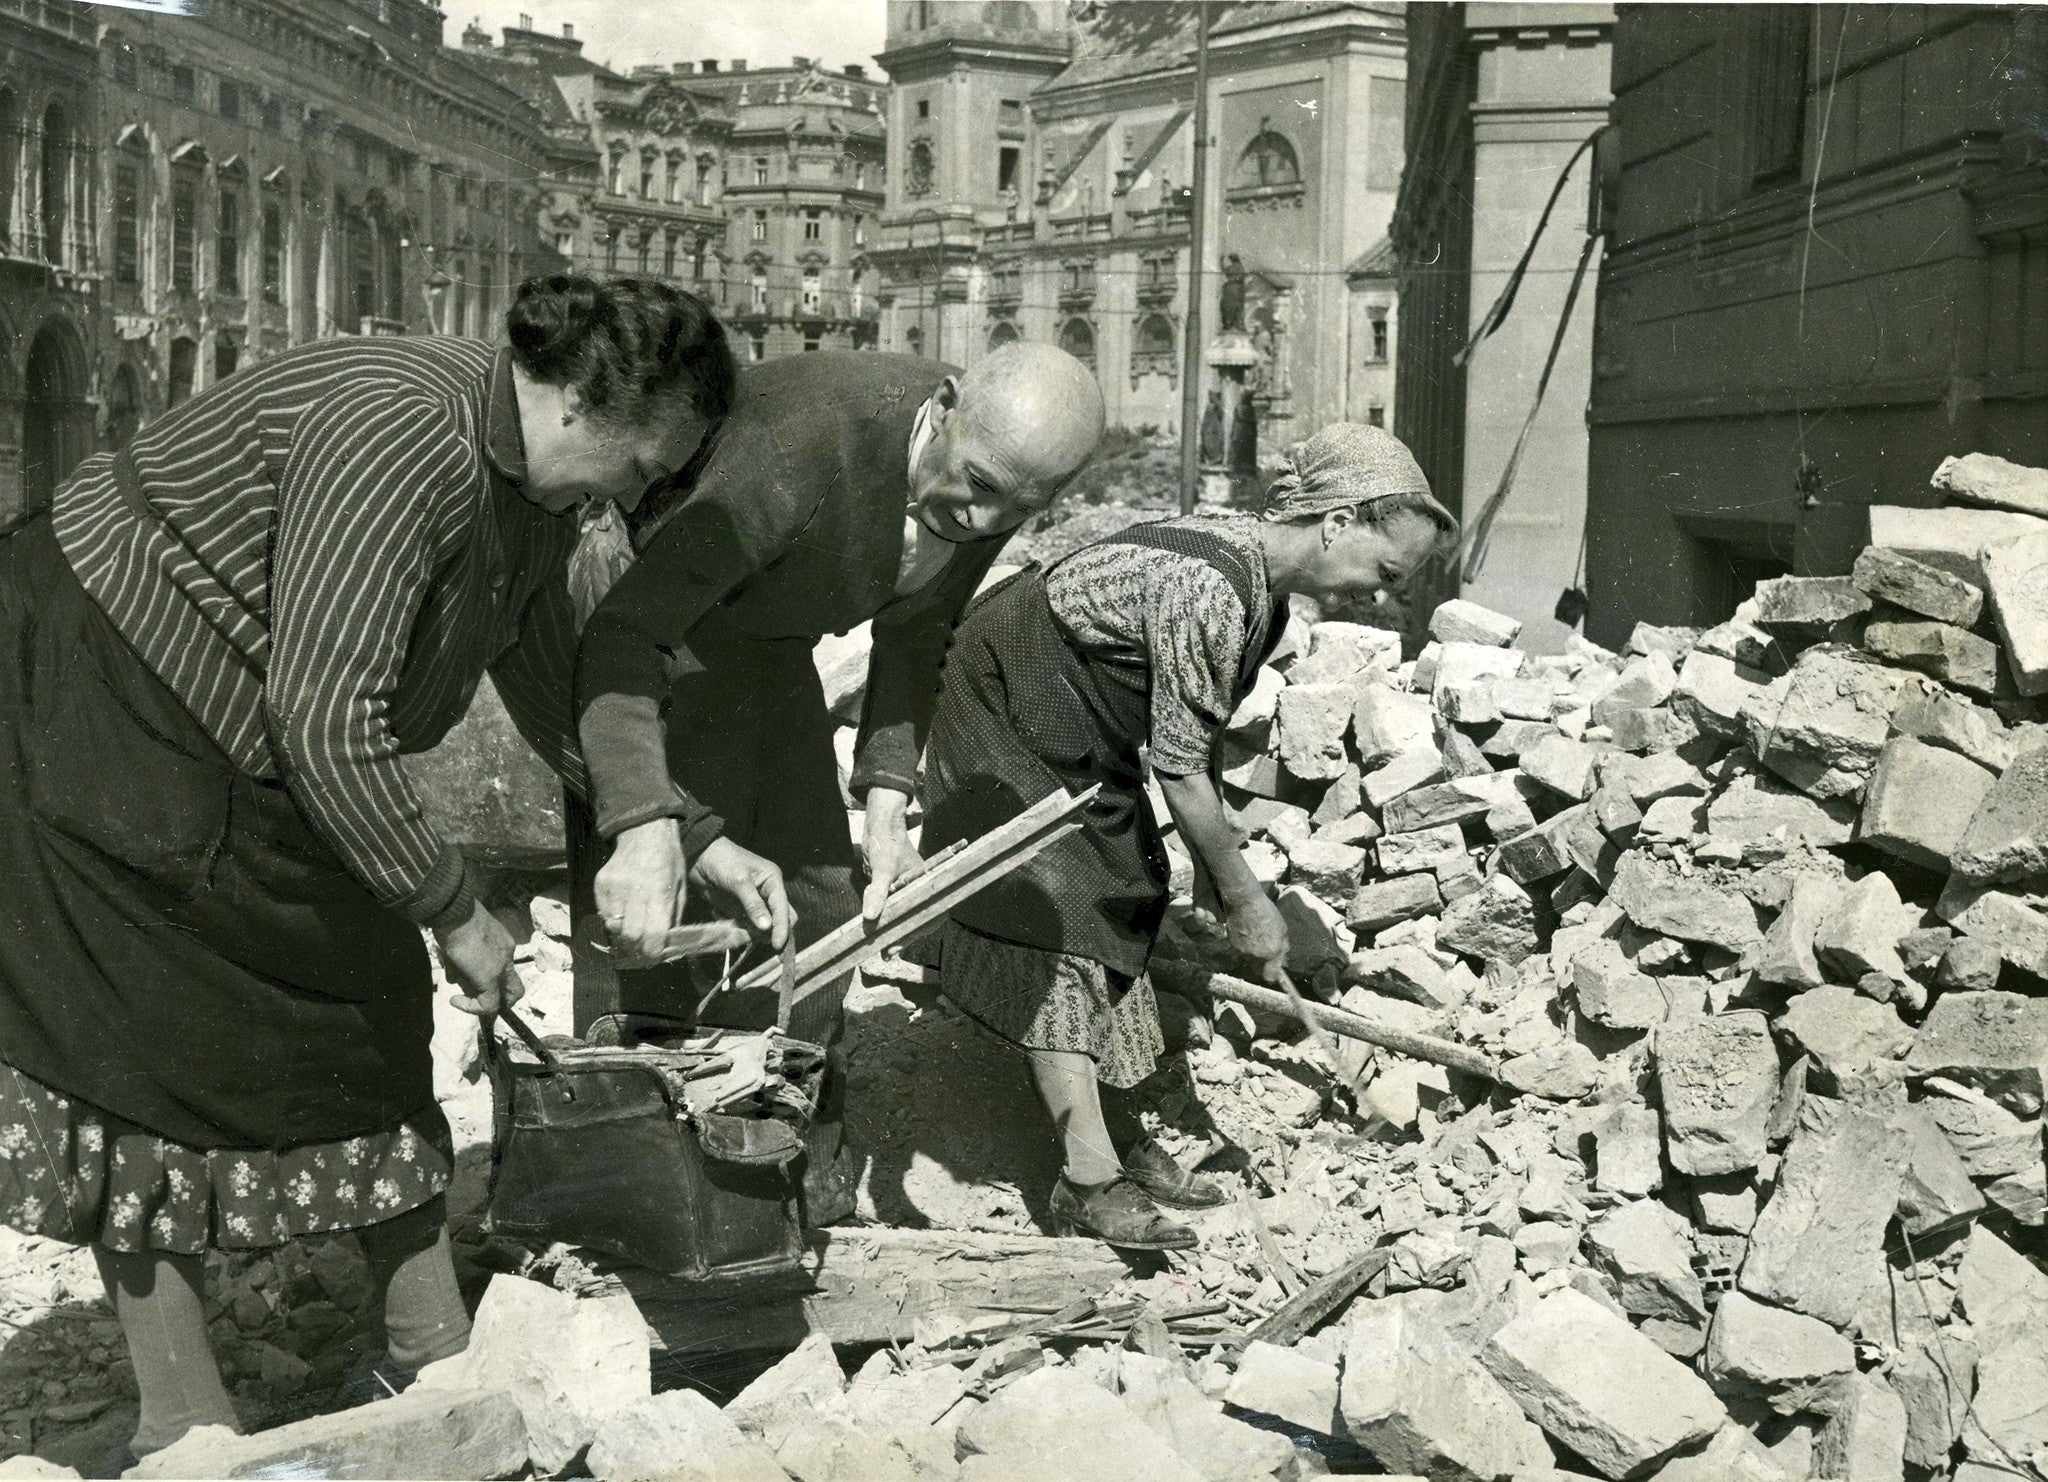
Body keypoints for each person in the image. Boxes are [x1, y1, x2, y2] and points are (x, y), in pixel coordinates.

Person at [0, 274, 737, 1460]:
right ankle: (185, 1417)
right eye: (646, 465)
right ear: (579, 406)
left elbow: (550, 678)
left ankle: (424, 1344)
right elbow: (329, 719)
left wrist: (687, 827)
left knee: (363, 996)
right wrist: (453, 908)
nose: (640, 496)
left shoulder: (541, 499)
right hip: (97, 681)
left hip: (263, 722)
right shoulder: (400, 429)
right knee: (141, 1038)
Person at [574, 342, 1107, 1222]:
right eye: (977, 485)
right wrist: (673, 827)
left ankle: (780, 1167)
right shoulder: (802, 449)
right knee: (668, 926)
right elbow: (624, 639)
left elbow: (919, 629)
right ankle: (636, 1192)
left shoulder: (1002, 473)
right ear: (943, 406)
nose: (983, 520)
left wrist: (889, 800)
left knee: (819, 902)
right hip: (644, 640)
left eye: (1021, 506)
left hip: (767, 644)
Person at [917, 422, 1457, 1250]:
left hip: (1072, 712)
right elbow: (1179, 772)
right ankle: (1086, 1181)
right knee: (1061, 908)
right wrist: (1246, 899)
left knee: (1130, 886)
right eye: (1385, 573)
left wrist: (1213, 871)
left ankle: (1117, 1128)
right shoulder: (1214, 588)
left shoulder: (1262, 601)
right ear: (1338, 521)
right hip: (1001, 691)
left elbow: (1184, 738)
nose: (1380, 596)